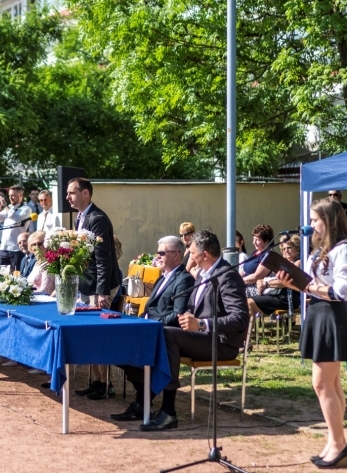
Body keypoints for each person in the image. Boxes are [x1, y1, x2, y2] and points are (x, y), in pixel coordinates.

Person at [128, 230, 249, 431]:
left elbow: (239, 318)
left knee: (167, 335)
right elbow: (192, 309)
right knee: (157, 335)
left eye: (192, 253)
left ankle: (168, 412)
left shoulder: (227, 276)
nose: (189, 256)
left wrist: (202, 324)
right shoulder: (202, 273)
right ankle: (144, 401)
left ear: (205, 254)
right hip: (201, 338)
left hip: (220, 343)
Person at [275, 197, 347, 468]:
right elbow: (315, 284)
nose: (311, 225)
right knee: (331, 384)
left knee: (322, 383)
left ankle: (339, 444)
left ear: (330, 221)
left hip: (331, 316)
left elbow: (341, 291)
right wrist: (295, 284)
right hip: (318, 314)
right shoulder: (322, 250)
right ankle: (333, 440)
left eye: (315, 220)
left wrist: (306, 287)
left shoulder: (345, 250)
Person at [110, 235, 195, 421]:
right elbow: (149, 309)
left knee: (132, 352)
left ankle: (143, 403)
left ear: (177, 254)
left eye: (162, 253)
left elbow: (178, 314)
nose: (158, 257)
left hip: (163, 333)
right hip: (148, 328)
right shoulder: (161, 278)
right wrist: (139, 321)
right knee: (119, 350)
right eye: (158, 253)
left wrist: (150, 323)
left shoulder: (184, 279)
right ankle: (143, 401)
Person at [66, 177, 121, 401]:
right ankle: (97, 381)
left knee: (99, 334)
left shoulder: (97, 218)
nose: (68, 197)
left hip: (101, 286)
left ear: (85, 193)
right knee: (90, 334)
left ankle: (106, 384)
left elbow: (103, 258)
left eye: (71, 192)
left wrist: (102, 292)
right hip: (86, 285)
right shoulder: (81, 217)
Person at [249, 235, 302, 316]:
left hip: (288, 297)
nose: (286, 251)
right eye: (284, 248)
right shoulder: (281, 263)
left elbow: (284, 282)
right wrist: (260, 281)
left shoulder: (298, 262)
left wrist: (265, 284)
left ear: (297, 248)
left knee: (249, 303)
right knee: (246, 302)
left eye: (289, 247)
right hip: (275, 294)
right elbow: (270, 278)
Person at [239, 224, 274, 297]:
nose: (253, 242)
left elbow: (257, 276)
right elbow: (243, 271)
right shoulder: (255, 253)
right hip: (245, 285)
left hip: (255, 289)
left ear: (267, 241)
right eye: (253, 239)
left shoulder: (269, 255)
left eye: (257, 240)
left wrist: (238, 282)